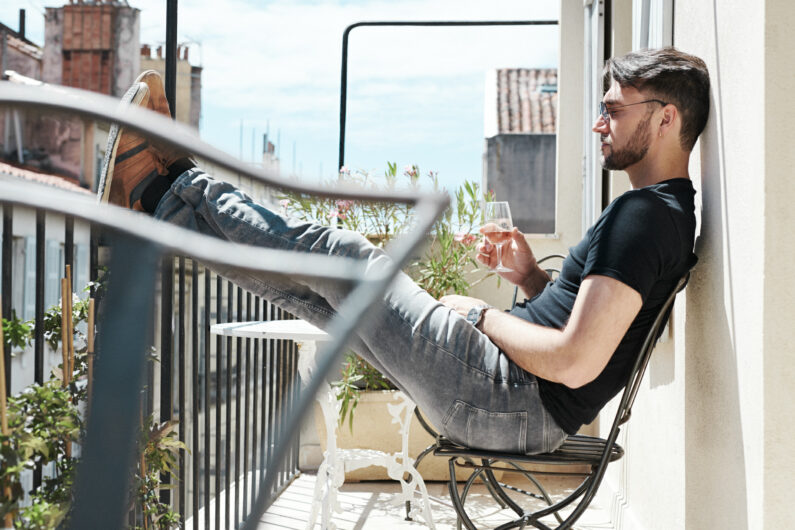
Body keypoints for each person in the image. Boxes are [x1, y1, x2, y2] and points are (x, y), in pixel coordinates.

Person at [98, 46, 710, 454]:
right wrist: (528, 279)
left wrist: (477, 314)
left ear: (665, 119)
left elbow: (576, 362)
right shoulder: (661, 214)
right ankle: (158, 201)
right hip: (509, 398)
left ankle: (175, 184)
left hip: (504, 396)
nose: (601, 124)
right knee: (316, 293)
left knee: (340, 254)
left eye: (613, 110)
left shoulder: (646, 215)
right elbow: (586, 337)